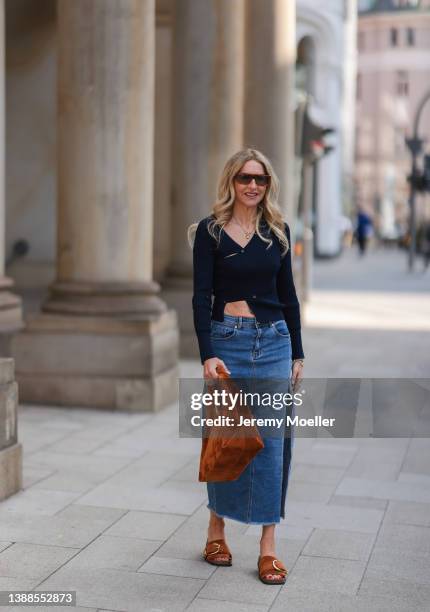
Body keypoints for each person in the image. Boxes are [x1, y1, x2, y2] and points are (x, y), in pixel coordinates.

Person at [188, 148, 305, 585]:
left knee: (272, 444)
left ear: (268, 184)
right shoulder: (210, 232)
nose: (252, 186)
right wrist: (207, 353)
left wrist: (297, 352)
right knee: (226, 437)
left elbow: (288, 296)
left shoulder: (278, 233)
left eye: (260, 179)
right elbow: (201, 297)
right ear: (231, 182)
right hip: (228, 343)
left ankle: (268, 546)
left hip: (273, 342)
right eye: (244, 178)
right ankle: (216, 530)